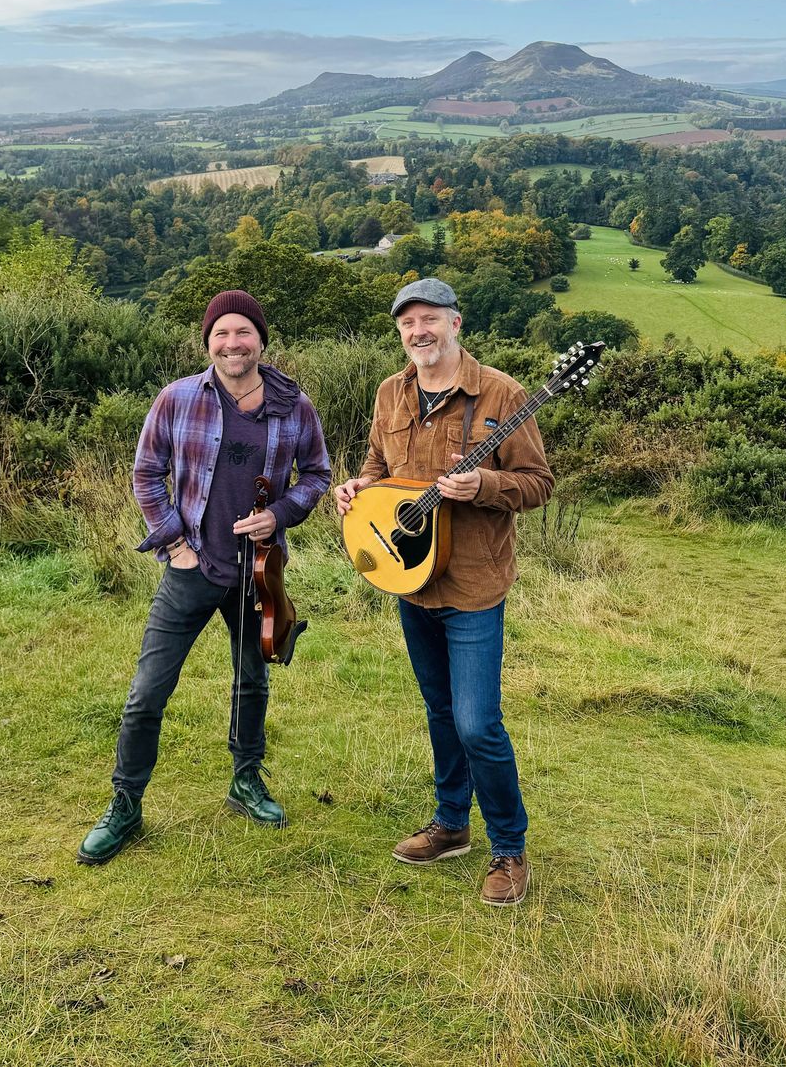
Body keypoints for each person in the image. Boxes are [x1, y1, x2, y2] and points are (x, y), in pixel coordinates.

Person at [77, 289, 331, 864]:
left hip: (258, 573)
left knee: (251, 682)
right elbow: (146, 472)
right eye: (221, 333)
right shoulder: (178, 398)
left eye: (243, 332)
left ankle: (245, 781)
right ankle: (125, 805)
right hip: (191, 569)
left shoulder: (294, 405)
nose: (232, 343)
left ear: (261, 340)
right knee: (147, 694)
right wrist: (175, 544)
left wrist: (279, 514)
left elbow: (317, 474)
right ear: (208, 342)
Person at [334, 278, 553, 906]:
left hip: (474, 583)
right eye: (408, 323)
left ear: (456, 323)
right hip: (409, 577)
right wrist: (358, 490)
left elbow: (538, 483)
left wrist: (484, 485)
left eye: (429, 319)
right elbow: (379, 467)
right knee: (439, 710)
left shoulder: (502, 395)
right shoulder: (390, 392)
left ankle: (509, 848)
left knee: (476, 722)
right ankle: (452, 824)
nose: (418, 332)